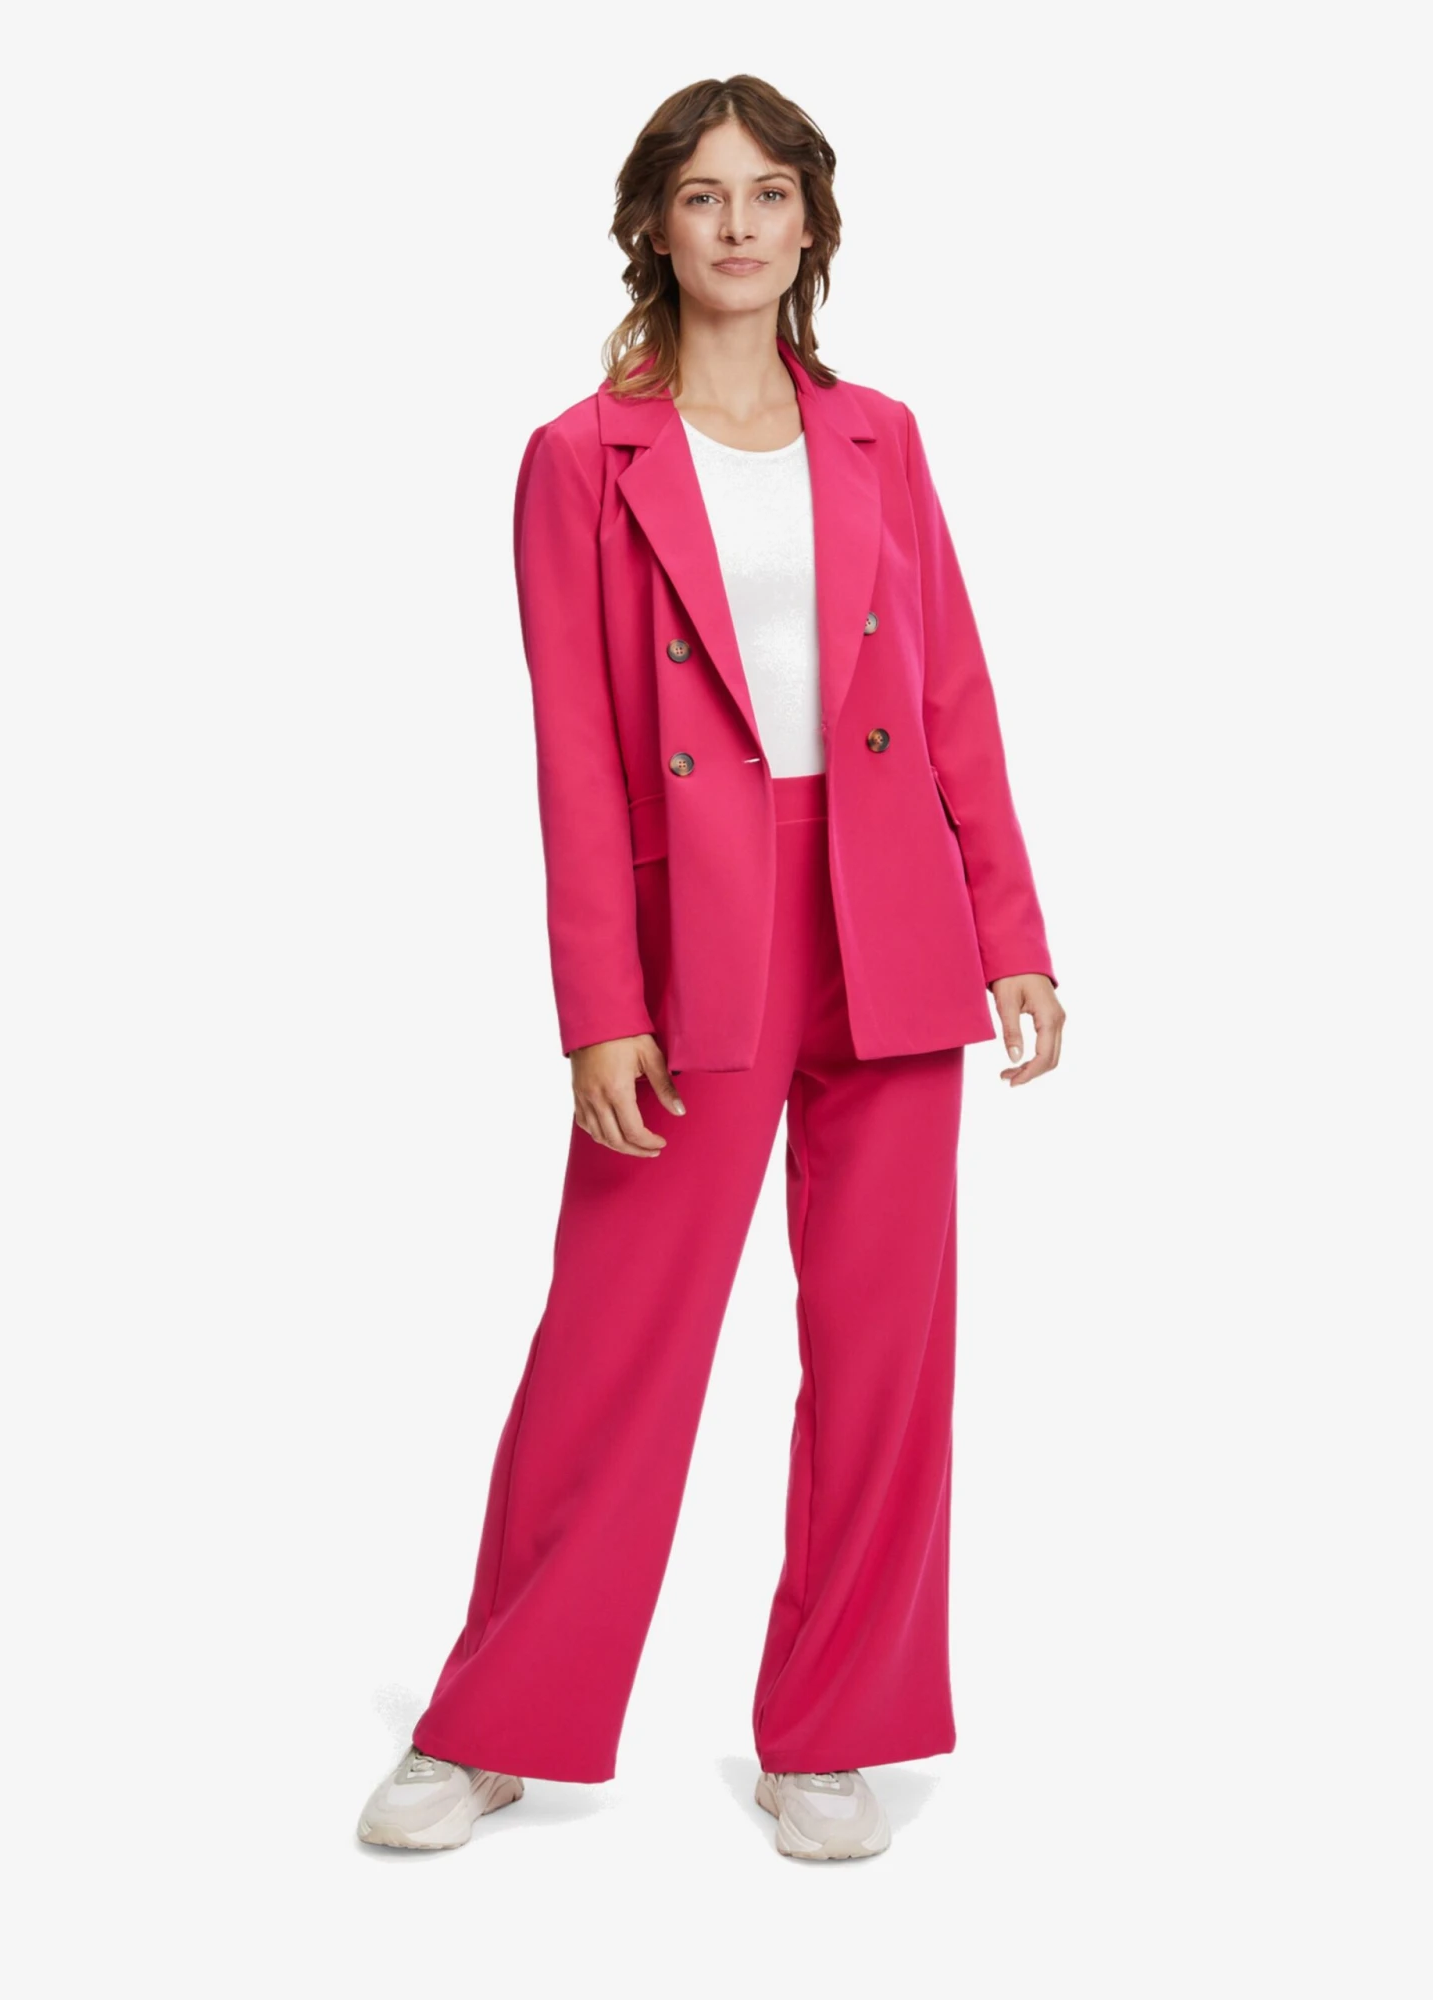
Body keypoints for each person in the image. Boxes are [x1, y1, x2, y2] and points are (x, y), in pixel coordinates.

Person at [357, 73, 1063, 1864]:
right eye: (702, 195)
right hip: (697, 941)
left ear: (812, 221)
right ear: (655, 227)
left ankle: (833, 1733)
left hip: (892, 921)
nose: (738, 224)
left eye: (767, 193)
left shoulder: (883, 436)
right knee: (617, 1342)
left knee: (886, 1355)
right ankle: (492, 1725)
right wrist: (600, 1005)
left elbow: (953, 694)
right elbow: (575, 753)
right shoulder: (579, 457)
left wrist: (1013, 935)